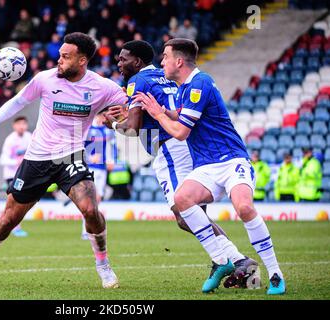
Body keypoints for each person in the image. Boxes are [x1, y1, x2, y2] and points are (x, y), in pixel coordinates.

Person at [0, 32, 127, 289]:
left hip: (71, 156)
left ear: (82, 60)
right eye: (59, 55)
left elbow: (129, 106)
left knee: (91, 210)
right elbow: (17, 102)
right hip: (37, 158)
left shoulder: (102, 87)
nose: (58, 60)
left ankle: (103, 266)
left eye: (65, 56)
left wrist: (122, 116)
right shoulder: (45, 80)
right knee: (8, 221)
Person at [136, 38, 285, 295]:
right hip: (206, 165)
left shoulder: (199, 83)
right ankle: (221, 258)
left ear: (179, 61)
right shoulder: (186, 87)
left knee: (244, 207)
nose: (162, 62)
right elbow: (182, 113)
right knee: (182, 199)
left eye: (166, 57)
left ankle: (275, 274)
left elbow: (181, 132)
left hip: (231, 159)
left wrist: (158, 115)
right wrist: (162, 110)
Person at [105, 40, 257, 289]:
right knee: (196, 214)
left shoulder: (137, 81)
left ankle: (236, 260)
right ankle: (238, 265)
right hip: (189, 145)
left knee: (183, 214)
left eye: (123, 59)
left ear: (138, 62)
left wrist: (111, 124)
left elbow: (132, 129)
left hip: (169, 149)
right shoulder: (162, 77)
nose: (118, 63)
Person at [81, 113, 115, 240]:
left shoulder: (108, 131)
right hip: (91, 168)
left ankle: (91, 230)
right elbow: (79, 149)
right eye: (101, 115)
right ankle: (85, 230)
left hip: (102, 169)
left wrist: (111, 160)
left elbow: (111, 148)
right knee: (89, 200)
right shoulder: (88, 129)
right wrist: (90, 158)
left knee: (97, 200)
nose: (103, 118)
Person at [0, 116, 32, 237]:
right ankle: (15, 227)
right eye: (19, 124)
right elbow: (3, 159)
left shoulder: (29, 137)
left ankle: (7, 220)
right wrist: (16, 162)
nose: (22, 126)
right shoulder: (10, 140)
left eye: (24, 124)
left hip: (24, 174)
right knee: (16, 201)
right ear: (14, 126)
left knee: (23, 202)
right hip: (11, 175)